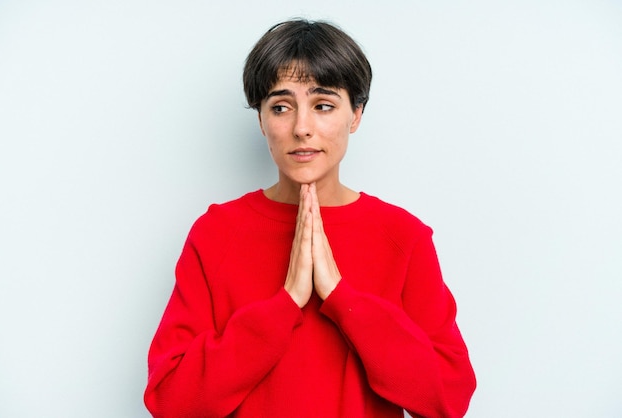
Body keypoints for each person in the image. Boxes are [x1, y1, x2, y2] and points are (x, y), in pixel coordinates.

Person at [144, 19, 476, 418]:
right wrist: (284, 305)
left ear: (355, 115)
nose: (302, 128)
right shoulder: (217, 234)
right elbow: (171, 402)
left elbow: (448, 399)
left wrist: (342, 298)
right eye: (281, 107)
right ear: (261, 120)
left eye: (323, 106)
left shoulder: (403, 237)